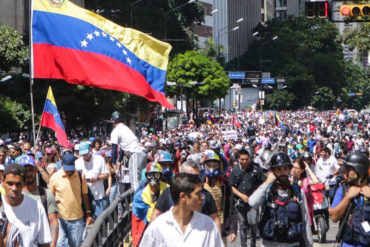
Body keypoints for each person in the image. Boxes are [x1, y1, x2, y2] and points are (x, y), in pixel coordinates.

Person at [139, 173, 223, 247]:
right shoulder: (158, 227)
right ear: (183, 196)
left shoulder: (208, 226)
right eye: (198, 193)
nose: (202, 197)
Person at [249, 152, 313, 247]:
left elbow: (305, 219)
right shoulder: (267, 191)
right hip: (270, 244)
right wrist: (267, 183)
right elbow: (252, 203)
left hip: (292, 244)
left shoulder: (297, 191)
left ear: (289, 170)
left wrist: (309, 244)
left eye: (285, 169)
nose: (283, 172)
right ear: (273, 171)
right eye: (278, 169)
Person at [151, 160, 221, 231]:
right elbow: (156, 214)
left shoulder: (205, 194)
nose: (193, 180)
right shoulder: (168, 192)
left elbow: (215, 218)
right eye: (190, 177)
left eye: (196, 176)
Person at [49, 153, 93, 247]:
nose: (69, 171)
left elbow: (85, 194)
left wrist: (88, 212)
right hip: (60, 218)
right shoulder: (55, 177)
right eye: (67, 169)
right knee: (59, 243)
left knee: (75, 244)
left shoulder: (81, 176)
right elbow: (50, 197)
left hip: (77, 218)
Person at [2, 163, 52, 246]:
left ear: (24, 183)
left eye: (18, 184)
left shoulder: (36, 207)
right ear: (3, 182)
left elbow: (45, 242)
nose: (14, 188)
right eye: (10, 183)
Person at [329, 152, 370, 247]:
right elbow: (334, 217)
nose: (345, 173)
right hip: (348, 243)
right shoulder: (343, 189)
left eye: (348, 170)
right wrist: (347, 197)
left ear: (359, 171)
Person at [20, 155, 59, 247]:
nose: (28, 174)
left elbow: (53, 222)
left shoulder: (46, 194)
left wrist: (52, 244)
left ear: (36, 171)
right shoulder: (16, 195)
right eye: (25, 171)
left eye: (31, 170)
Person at [228, 149, 264, 247]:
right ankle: (243, 245)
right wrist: (241, 195)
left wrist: (257, 197)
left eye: (246, 159)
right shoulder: (235, 170)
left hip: (253, 202)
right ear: (238, 159)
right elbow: (231, 186)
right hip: (240, 202)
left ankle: (253, 244)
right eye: (242, 159)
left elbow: (262, 183)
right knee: (242, 225)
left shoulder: (256, 169)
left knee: (253, 224)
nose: (244, 161)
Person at [201, 150, 237, 246]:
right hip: (202, 228)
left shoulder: (224, 184)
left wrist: (233, 229)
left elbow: (231, 207)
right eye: (209, 165)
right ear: (204, 166)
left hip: (220, 226)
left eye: (215, 165)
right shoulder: (198, 184)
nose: (212, 168)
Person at [131, 162, 169, 247]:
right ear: (146, 176)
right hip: (147, 229)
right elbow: (136, 219)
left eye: (156, 175)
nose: (153, 178)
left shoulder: (169, 191)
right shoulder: (140, 196)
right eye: (150, 175)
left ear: (161, 176)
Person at [110, 111, 146, 191]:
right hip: (142, 153)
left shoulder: (115, 131)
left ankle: (139, 202)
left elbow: (114, 147)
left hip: (135, 154)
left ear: (112, 121)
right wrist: (119, 161)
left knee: (135, 183)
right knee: (143, 181)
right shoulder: (125, 128)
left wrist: (113, 163)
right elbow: (123, 147)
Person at [75, 142, 109, 219]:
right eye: (83, 154)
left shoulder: (99, 159)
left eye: (86, 153)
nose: (85, 156)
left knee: (99, 220)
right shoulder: (77, 163)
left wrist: (97, 178)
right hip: (85, 196)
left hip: (98, 195)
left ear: (90, 149)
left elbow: (106, 174)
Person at [290, 156, 319, 227]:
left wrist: (308, 169)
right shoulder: (289, 180)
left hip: (304, 210)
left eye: (296, 168)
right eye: (293, 167)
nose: (294, 170)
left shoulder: (305, 181)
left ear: (302, 170)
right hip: (293, 211)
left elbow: (315, 181)